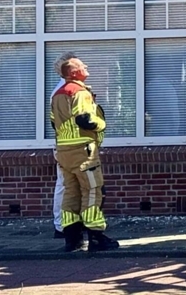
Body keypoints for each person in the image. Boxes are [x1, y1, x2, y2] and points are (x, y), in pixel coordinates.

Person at [51, 56, 119, 252]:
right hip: (83, 151)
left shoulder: (57, 94)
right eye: (82, 65)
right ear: (74, 73)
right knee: (92, 191)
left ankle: (72, 239)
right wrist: (102, 124)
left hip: (64, 152)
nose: (86, 66)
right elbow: (84, 119)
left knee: (70, 193)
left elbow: (53, 122)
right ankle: (96, 237)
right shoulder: (80, 92)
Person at [50, 52, 78, 239]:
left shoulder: (64, 90)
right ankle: (61, 224)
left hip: (69, 144)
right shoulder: (64, 92)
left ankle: (66, 223)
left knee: (70, 184)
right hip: (68, 145)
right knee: (65, 183)